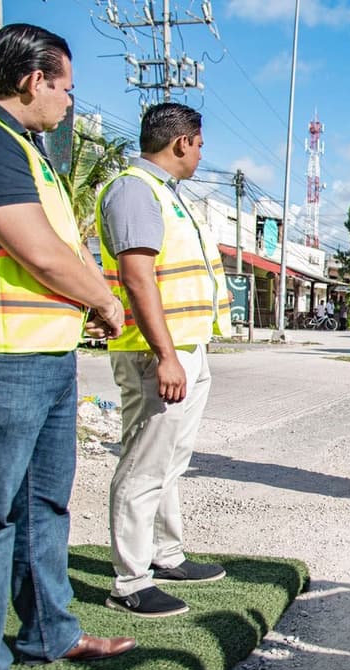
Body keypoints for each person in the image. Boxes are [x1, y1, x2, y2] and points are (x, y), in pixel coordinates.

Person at [0, 23, 136, 668]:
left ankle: (49, 631)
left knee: (43, 506)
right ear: (34, 81)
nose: (70, 103)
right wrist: (105, 300)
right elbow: (40, 250)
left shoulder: (24, 145)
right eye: (67, 89)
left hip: (42, 354)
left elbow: (63, 245)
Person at [97, 103, 231, 617]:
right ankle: (130, 581)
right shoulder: (134, 189)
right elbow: (137, 277)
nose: (200, 154)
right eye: (199, 144)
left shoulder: (167, 195)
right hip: (158, 353)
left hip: (186, 346)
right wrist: (166, 356)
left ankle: (165, 554)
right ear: (181, 143)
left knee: (171, 461)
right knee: (143, 463)